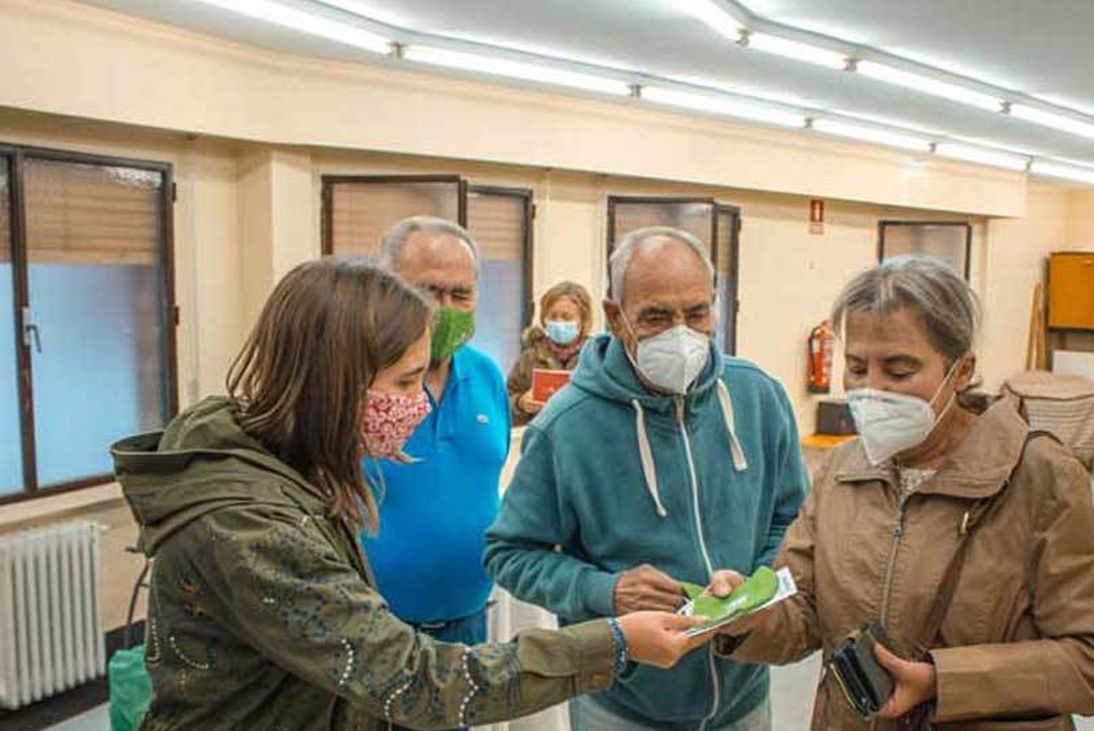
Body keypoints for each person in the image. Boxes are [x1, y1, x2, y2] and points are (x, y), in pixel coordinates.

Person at [112, 258, 702, 730]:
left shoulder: (288, 468)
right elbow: (414, 680)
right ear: (331, 381)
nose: (417, 405)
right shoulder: (248, 523)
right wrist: (615, 642)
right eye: (403, 382)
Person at [705, 258, 1094, 730]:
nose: (871, 390)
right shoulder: (841, 471)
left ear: (961, 371)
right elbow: (802, 609)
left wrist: (943, 681)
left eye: (899, 371)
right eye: (856, 368)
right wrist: (739, 616)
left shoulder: (1038, 476)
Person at [485, 227, 809, 731]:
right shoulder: (566, 426)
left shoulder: (758, 397)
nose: (681, 333)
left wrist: (757, 586)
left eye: (697, 313)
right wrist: (605, 590)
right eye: (656, 317)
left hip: (744, 697)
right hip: (622, 706)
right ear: (615, 317)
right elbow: (508, 554)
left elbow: (794, 520)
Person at [362, 217, 507, 670]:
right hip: (373, 630)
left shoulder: (486, 375)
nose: (445, 308)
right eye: (427, 291)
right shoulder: (358, 381)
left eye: (460, 294)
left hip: (468, 624)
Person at [506, 280, 594, 425]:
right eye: (553, 316)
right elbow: (503, 404)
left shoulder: (594, 358)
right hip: (541, 440)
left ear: (583, 321)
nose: (559, 322)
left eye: (566, 317)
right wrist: (520, 403)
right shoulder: (529, 358)